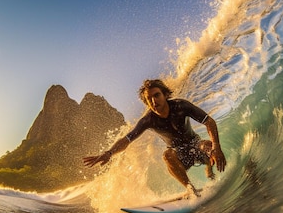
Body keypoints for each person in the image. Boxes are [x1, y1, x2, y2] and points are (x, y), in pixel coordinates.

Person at [83, 79, 226, 197]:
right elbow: (127, 139)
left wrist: (217, 148)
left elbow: (209, 121)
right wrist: (109, 153)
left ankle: (209, 169)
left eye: (156, 95)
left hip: (195, 144)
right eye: (149, 98)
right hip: (179, 154)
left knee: (207, 145)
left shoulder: (181, 106)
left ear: (165, 95)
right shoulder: (148, 120)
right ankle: (190, 189)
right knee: (167, 155)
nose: (153, 100)